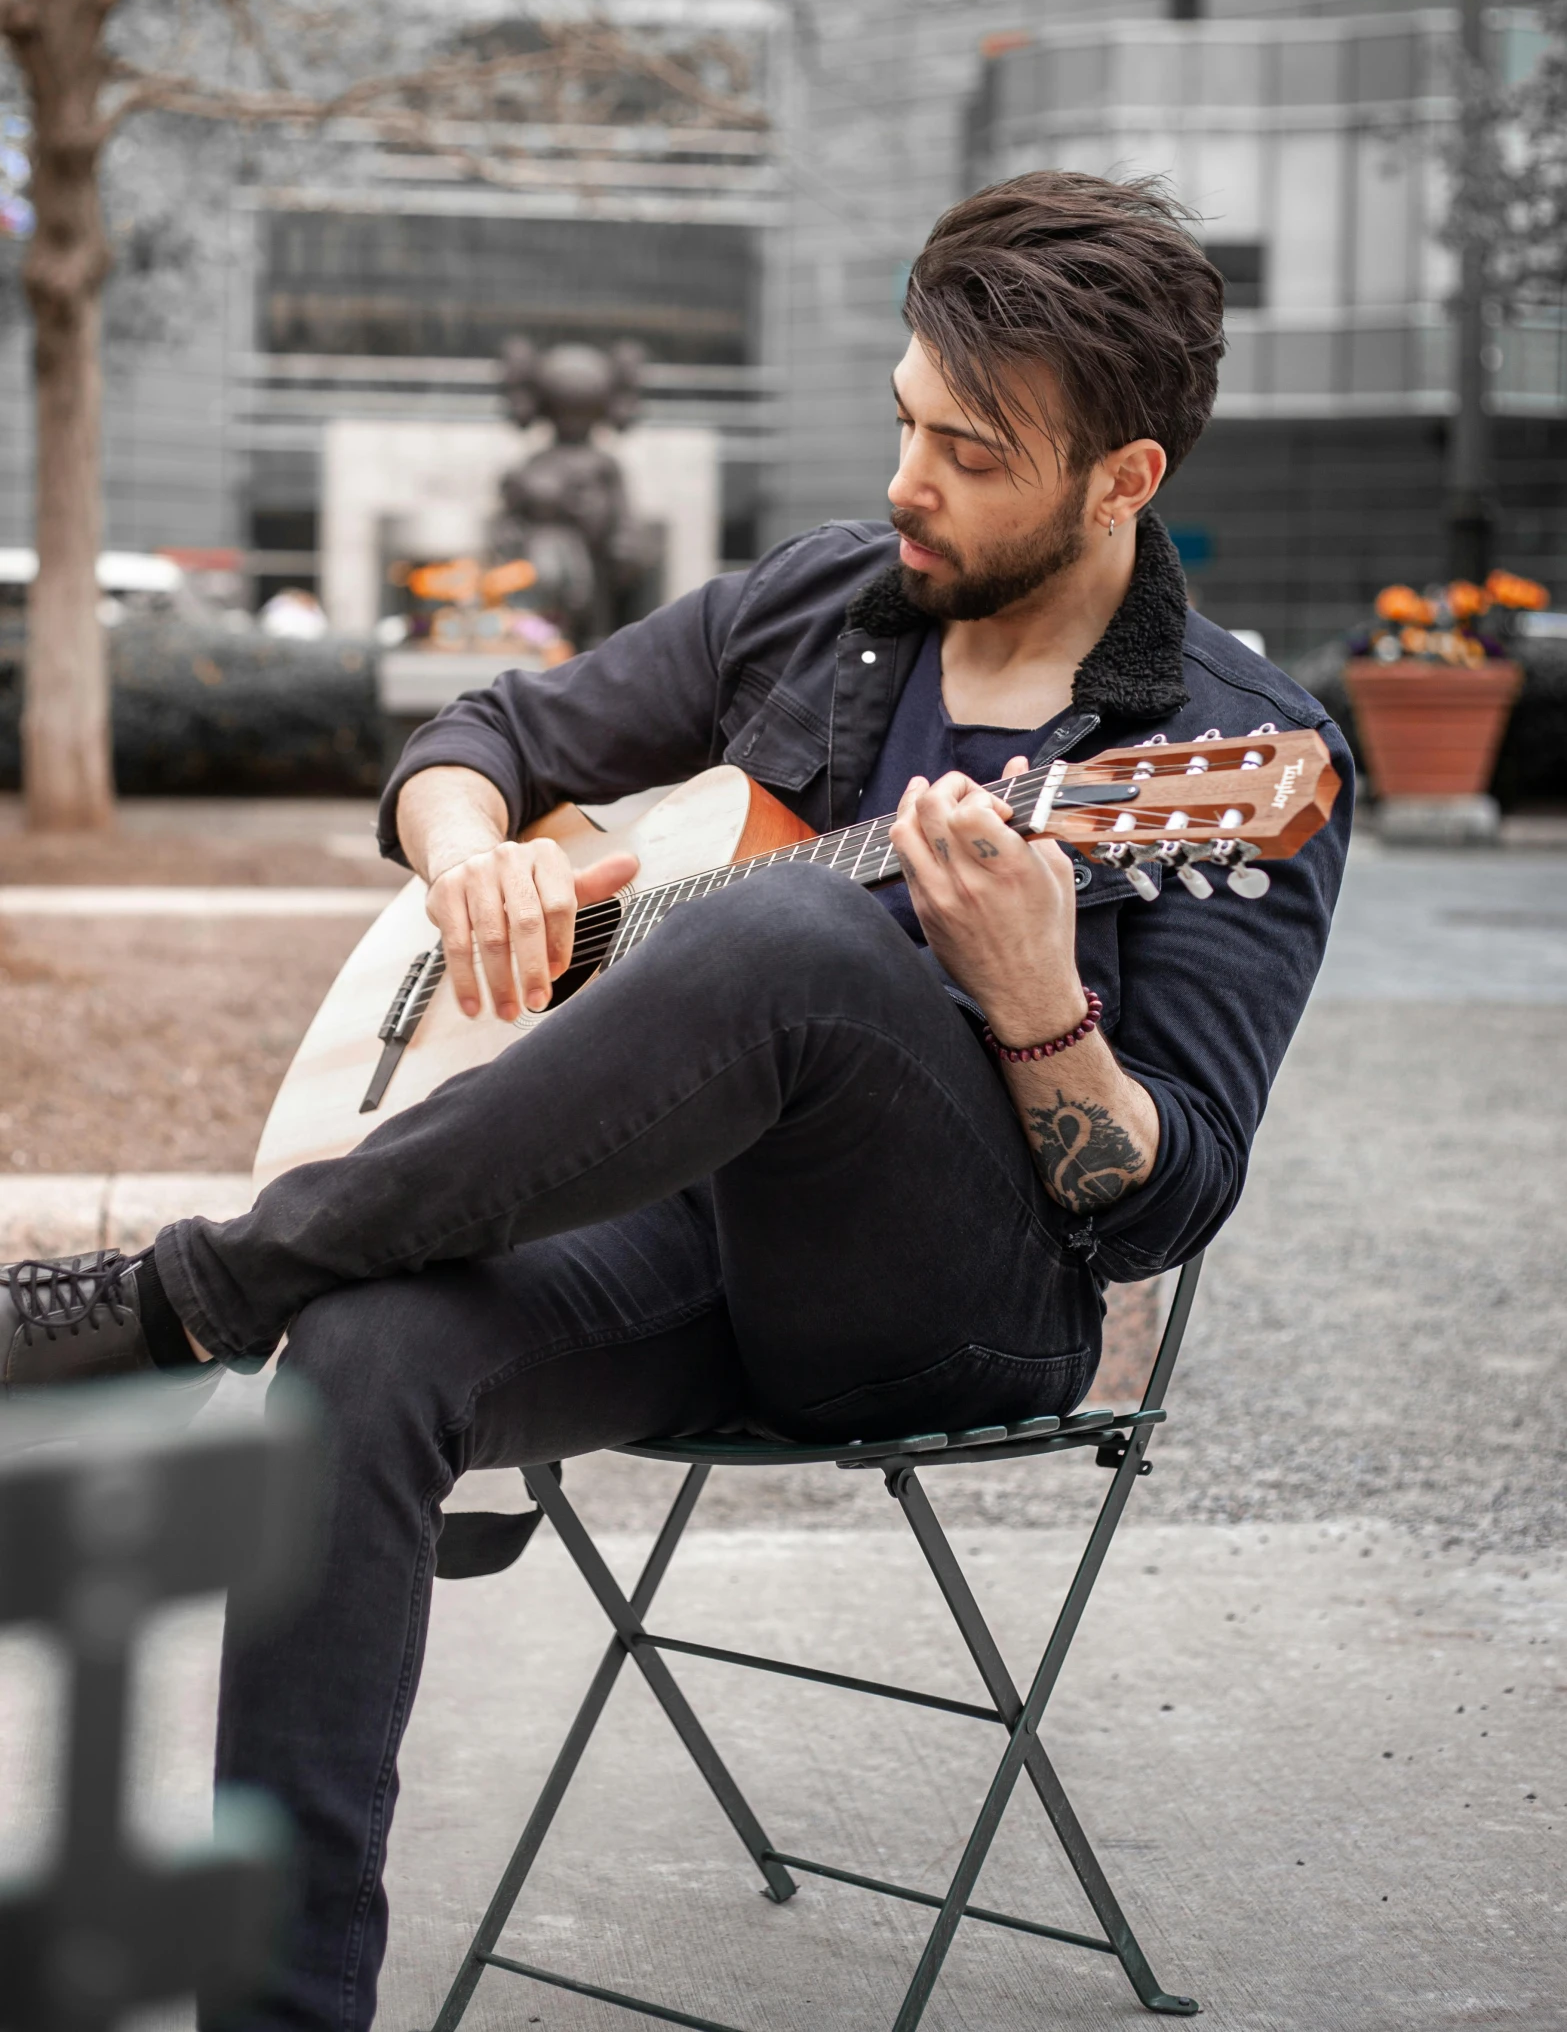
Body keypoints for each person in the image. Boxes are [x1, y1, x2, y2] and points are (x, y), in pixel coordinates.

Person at [1, 171, 1352, 2032]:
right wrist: (470, 856)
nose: (908, 481)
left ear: (1122, 478)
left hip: (949, 1309)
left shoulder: (1219, 757)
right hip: (683, 1255)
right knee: (367, 1364)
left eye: (970, 450)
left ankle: (193, 1292)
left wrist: (1039, 1003)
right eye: (904, 419)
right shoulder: (825, 604)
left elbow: (1162, 1198)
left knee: (795, 937)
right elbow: (484, 734)